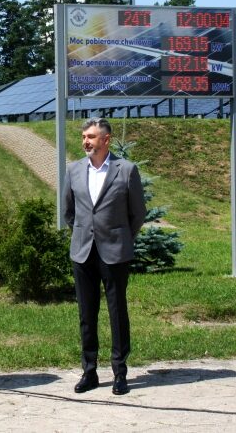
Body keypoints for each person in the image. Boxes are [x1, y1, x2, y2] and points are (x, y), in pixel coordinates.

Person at [63, 118, 146, 396]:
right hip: (83, 251)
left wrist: (120, 237)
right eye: (84, 136)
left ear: (106, 140)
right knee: (87, 314)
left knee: (117, 312)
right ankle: (89, 371)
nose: (85, 141)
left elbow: (138, 214)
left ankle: (120, 372)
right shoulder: (74, 170)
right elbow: (69, 212)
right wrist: (84, 233)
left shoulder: (126, 170)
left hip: (114, 252)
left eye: (91, 137)